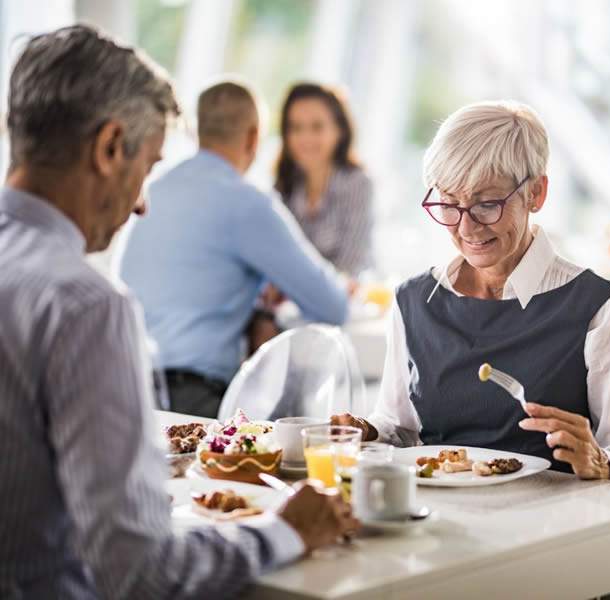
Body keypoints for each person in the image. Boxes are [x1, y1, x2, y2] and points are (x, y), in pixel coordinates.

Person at [0, 25, 356, 600]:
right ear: (110, 147)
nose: (143, 203)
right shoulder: (84, 306)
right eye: (147, 166)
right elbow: (142, 571)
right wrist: (284, 532)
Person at [334, 101, 610, 484]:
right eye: (450, 204)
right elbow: (399, 427)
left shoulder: (597, 308)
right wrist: (365, 431)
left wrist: (602, 463)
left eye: (487, 204)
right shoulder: (414, 301)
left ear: (536, 193)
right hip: (438, 523)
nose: (467, 227)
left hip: (555, 528)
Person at [116, 80, 349, 418]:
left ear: (198, 132)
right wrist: (268, 310)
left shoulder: (152, 188)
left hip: (126, 388)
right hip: (192, 398)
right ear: (254, 138)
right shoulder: (247, 204)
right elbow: (333, 306)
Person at [274, 83, 374, 277]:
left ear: (340, 130)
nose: (305, 137)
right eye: (295, 127)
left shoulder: (358, 184)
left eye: (317, 127)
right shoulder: (284, 184)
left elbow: (350, 267)